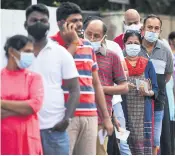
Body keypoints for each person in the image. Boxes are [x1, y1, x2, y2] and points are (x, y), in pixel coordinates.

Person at [51, 2, 113, 155]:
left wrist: (106, 117)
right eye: (74, 21)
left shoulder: (87, 46)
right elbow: (56, 70)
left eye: (80, 20)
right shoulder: (51, 45)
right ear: (61, 23)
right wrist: (73, 43)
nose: (79, 25)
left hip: (90, 116)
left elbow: (96, 83)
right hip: (65, 116)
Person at [25, 4, 80, 155]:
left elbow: (75, 89)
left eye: (43, 20)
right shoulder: (16, 54)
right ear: (25, 24)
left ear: (49, 24)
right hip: (24, 129)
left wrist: (67, 119)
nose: (38, 23)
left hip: (54, 130)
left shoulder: (60, 53)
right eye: (33, 20)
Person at [83, 17, 128, 155]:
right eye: (88, 34)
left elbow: (124, 87)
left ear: (103, 37)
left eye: (96, 36)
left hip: (101, 119)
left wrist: (102, 89)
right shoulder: (74, 54)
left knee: (100, 151)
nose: (91, 38)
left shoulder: (112, 57)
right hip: (78, 116)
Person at [1, 35, 43, 155]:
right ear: (11, 51)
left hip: (28, 142)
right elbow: (28, 108)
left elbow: (34, 106)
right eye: (27, 51)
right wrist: (23, 108)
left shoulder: (34, 78)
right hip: (5, 142)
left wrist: (3, 103)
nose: (31, 55)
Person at [139, 14, 174, 154]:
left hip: (158, 101)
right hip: (136, 102)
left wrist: (155, 88)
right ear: (143, 29)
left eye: (156, 28)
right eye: (149, 27)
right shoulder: (133, 47)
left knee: (155, 138)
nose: (152, 31)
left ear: (160, 31)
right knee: (138, 137)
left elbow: (168, 75)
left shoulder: (165, 50)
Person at [121, 30, 158, 155]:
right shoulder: (119, 63)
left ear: (140, 44)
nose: (133, 45)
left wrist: (149, 92)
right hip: (124, 111)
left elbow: (156, 89)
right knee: (124, 143)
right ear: (124, 44)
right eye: (129, 42)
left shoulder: (148, 64)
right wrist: (124, 87)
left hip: (144, 113)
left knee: (143, 147)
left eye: (136, 43)